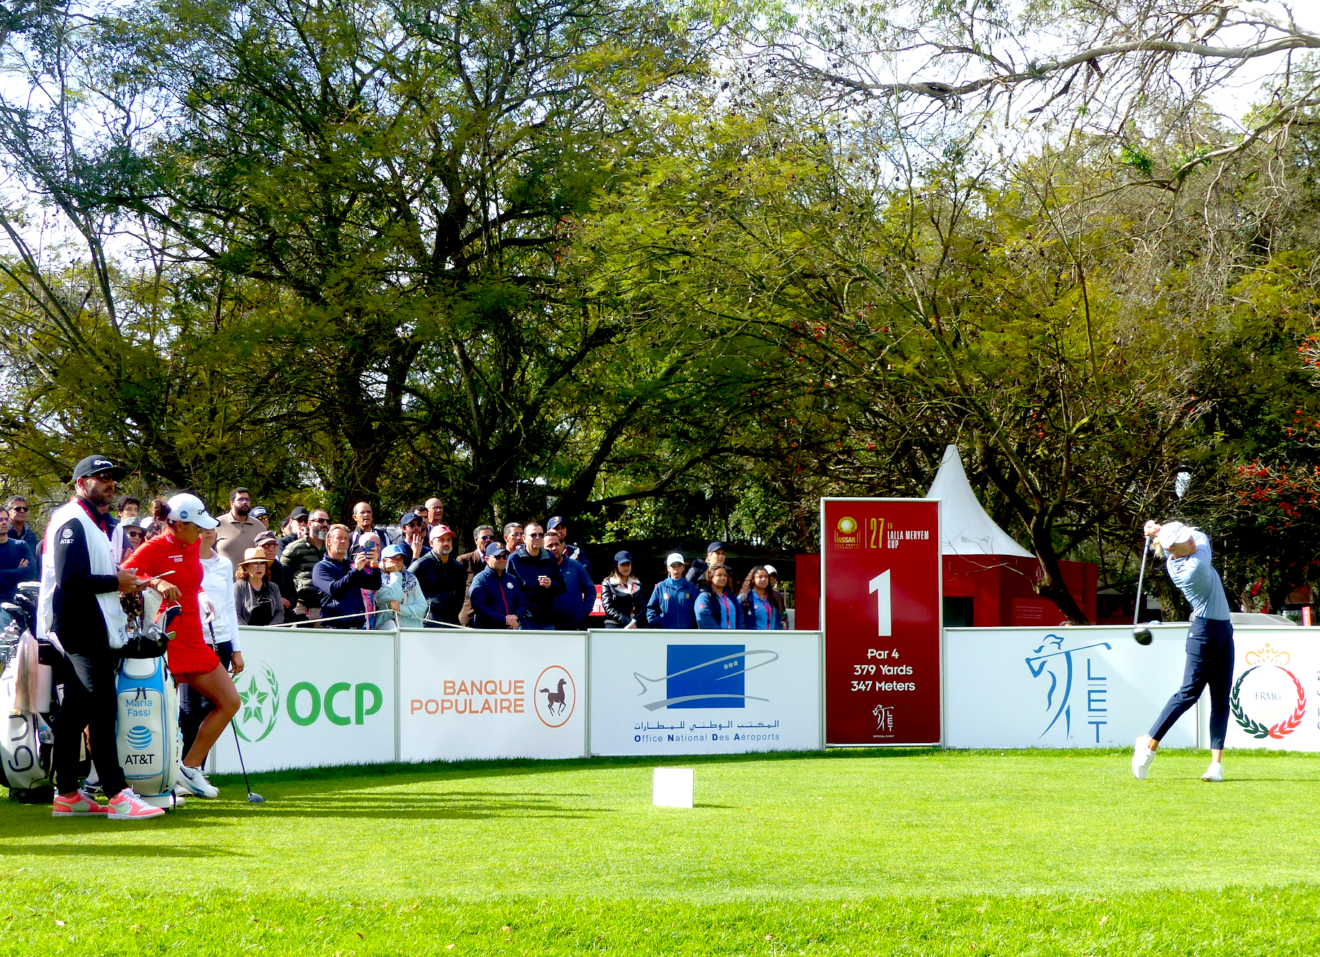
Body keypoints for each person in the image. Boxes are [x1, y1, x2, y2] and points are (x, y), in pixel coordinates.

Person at [39, 455, 165, 819]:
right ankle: (117, 793)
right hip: (77, 625)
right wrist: (117, 581)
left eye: (112, 478)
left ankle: (67, 794)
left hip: (91, 623)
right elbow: (71, 581)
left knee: (77, 710)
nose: (110, 483)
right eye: (100, 477)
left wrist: (124, 579)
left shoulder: (95, 522)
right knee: (102, 707)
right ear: (81, 484)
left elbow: (88, 575)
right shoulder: (71, 520)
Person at [123, 493, 240, 799]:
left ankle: (189, 767)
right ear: (177, 523)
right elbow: (122, 576)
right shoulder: (154, 547)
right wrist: (155, 583)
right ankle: (143, 781)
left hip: (195, 638)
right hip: (165, 639)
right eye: (195, 525)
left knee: (229, 702)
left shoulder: (191, 545)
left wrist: (201, 594)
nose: (202, 531)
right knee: (163, 716)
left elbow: (191, 580)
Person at [1133, 520, 1235, 783]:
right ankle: (1148, 745)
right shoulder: (1195, 566)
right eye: (1184, 541)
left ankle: (1216, 766)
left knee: (1222, 698)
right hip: (1204, 633)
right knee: (1189, 694)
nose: (1192, 540)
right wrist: (1158, 532)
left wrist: (1157, 531)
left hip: (1223, 630)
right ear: (1173, 551)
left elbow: (1187, 537)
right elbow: (1202, 535)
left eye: (1188, 537)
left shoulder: (1177, 552)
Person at [180, 525, 246, 762]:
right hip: (193, 643)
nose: (208, 532)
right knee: (189, 710)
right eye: (201, 529)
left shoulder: (225, 564)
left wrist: (236, 649)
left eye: (211, 529)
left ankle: (195, 768)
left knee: (213, 707)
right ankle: (183, 768)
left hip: (221, 642)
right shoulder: (185, 561)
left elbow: (229, 607)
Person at [311, 524, 381, 629]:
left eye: (346, 538)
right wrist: (355, 570)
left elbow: (374, 584)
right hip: (335, 626)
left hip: (357, 625)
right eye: (339, 538)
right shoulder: (321, 567)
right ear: (329, 542)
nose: (343, 541)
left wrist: (374, 564)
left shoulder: (350, 565)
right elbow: (334, 589)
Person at [507, 522, 565, 630]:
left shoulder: (550, 558)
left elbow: (562, 587)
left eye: (540, 535)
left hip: (547, 619)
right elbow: (508, 590)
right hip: (523, 619)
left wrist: (551, 584)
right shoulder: (514, 559)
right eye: (533, 535)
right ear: (524, 538)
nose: (537, 538)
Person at [411, 524, 466, 626]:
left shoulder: (458, 568)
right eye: (441, 540)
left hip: (452, 623)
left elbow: (460, 597)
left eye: (449, 540)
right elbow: (407, 590)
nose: (446, 543)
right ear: (431, 543)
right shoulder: (420, 565)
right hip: (428, 623)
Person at [281, 508, 330, 622]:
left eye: (328, 521)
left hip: (325, 606)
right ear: (309, 523)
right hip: (301, 606)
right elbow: (281, 574)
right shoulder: (295, 548)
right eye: (320, 521)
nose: (325, 524)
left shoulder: (331, 549)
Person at [545, 529, 594, 630]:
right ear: (542, 548)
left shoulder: (575, 565)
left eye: (557, 544)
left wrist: (584, 611)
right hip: (549, 625)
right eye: (549, 546)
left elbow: (590, 589)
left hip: (575, 625)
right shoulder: (539, 568)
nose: (554, 548)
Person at [469, 543, 526, 629]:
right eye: (498, 557)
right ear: (487, 559)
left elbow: (522, 604)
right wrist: (503, 619)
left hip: (511, 630)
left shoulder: (512, 579)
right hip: (488, 631)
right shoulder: (480, 579)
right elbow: (479, 607)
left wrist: (516, 616)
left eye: (504, 556)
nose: (502, 559)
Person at [375, 544, 427, 629]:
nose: (398, 561)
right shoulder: (378, 577)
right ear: (384, 561)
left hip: (412, 632)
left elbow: (422, 607)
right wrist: (395, 574)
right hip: (388, 632)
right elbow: (395, 596)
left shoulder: (411, 578)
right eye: (394, 558)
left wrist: (400, 608)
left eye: (401, 558)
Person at [456, 525, 497, 626]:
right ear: (476, 540)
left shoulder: (500, 561)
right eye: (484, 538)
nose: (488, 540)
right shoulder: (464, 560)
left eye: (491, 537)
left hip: (493, 616)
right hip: (469, 616)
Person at [646, 553, 699, 629]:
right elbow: (651, 610)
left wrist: (691, 626)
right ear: (668, 568)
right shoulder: (661, 587)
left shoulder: (691, 588)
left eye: (679, 565)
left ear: (683, 567)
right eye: (673, 566)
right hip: (665, 635)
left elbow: (698, 611)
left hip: (687, 635)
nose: (676, 569)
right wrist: (660, 624)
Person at [214, 487, 263, 570]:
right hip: (224, 579)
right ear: (232, 503)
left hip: (252, 580)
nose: (245, 502)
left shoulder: (259, 526)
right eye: (240, 499)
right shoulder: (217, 524)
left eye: (247, 500)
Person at [235, 547, 284, 627]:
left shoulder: (273, 587)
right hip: (246, 633)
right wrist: (249, 631)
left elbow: (279, 612)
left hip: (270, 632)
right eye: (255, 564)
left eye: (262, 564)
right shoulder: (238, 587)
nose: (259, 567)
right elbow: (236, 614)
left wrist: (270, 629)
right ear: (246, 568)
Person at [0, 505, 37, 603]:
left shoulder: (21, 546)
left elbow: (32, 572)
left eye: (6, 519)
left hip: (18, 601)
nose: (4, 522)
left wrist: (3, 574)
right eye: (0, 520)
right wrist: (18, 572)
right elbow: (25, 573)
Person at [255, 530, 294, 617]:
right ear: (257, 547)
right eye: (266, 546)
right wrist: (277, 600)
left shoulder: (284, 570)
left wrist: (288, 601)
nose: (271, 549)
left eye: (274, 545)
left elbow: (293, 597)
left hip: (283, 617)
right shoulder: (252, 570)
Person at [601, 551, 644, 629]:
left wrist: (635, 621)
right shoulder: (608, 584)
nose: (626, 567)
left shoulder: (638, 584)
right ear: (616, 566)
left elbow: (643, 607)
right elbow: (608, 608)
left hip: (634, 626)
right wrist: (627, 621)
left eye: (628, 564)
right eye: (622, 564)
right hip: (614, 625)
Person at [695, 564, 742, 630]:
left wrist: (739, 633)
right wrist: (719, 633)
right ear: (711, 577)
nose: (723, 578)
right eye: (719, 575)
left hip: (733, 637)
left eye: (725, 575)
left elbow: (740, 616)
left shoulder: (732, 596)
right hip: (714, 637)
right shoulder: (704, 597)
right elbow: (703, 616)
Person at [739, 565, 786, 630]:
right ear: (753, 579)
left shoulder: (773, 598)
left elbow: (782, 615)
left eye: (766, 577)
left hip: (772, 638)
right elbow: (740, 622)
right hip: (753, 638)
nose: (763, 579)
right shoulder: (744, 598)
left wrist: (782, 625)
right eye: (760, 577)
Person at [110, 495, 140, 562]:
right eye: (129, 509)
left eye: (136, 510)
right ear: (120, 512)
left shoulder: (141, 532)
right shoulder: (112, 531)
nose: (133, 513)